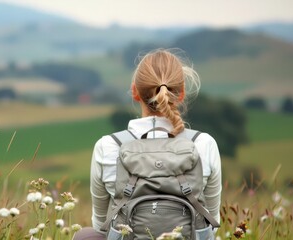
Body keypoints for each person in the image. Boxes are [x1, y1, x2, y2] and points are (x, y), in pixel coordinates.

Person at [74, 49, 222, 239]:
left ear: (135, 92)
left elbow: (101, 224)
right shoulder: (204, 143)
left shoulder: (108, 146)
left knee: (84, 235)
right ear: (181, 93)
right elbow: (211, 223)